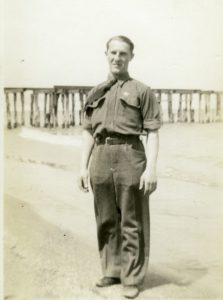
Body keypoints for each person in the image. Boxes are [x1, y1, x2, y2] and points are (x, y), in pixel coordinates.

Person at [78, 35, 162, 299]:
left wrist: (151, 169)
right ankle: (111, 270)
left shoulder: (142, 91)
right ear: (106, 54)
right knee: (105, 218)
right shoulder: (95, 92)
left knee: (131, 219)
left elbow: (153, 132)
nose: (117, 58)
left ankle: (131, 277)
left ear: (131, 57)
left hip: (130, 155)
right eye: (113, 53)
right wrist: (83, 167)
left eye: (123, 54)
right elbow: (88, 132)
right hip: (100, 157)